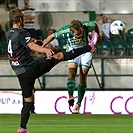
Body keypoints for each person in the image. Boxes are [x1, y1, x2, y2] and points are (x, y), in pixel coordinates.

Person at [6, 8, 97, 133]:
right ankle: (89, 47)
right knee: (59, 56)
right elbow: (31, 46)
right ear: (21, 19)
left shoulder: (9, 33)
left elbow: (21, 45)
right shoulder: (22, 32)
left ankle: (22, 128)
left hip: (20, 72)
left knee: (28, 100)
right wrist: (45, 50)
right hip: (30, 68)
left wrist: (36, 42)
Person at [42, 20, 101, 114]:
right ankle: (70, 97)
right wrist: (43, 48)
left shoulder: (87, 25)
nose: (79, 36)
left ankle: (78, 103)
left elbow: (95, 25)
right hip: (73, 52)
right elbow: (51, 36)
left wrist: (97, 36)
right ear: (72, 32)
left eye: (80, 33)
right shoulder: (64, 31)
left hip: (85, 51)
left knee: (83, 73)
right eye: (77, 34)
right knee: (72, 72)